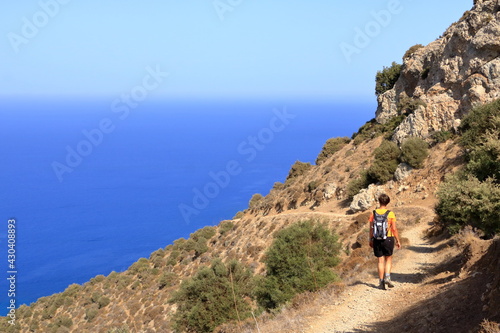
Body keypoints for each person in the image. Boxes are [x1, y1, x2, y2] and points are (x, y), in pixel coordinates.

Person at [369, 194, 401, 290]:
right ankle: (387, 277)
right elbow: (394, 229)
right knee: (388, 259)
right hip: (388, 238)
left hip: (377, 239)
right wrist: (397, 240)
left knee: (380, 260)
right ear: (388, 202)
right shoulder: (390, 214)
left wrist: (370, 239)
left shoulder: (373, 213)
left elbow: (371, 228)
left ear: (379, 201)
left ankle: (381, 282)